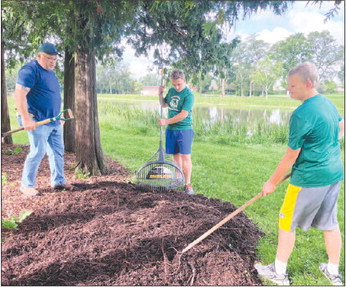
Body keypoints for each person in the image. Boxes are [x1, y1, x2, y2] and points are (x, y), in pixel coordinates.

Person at [254, 62, 344, 286]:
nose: (289, 90)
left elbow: (290, 157)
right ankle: (333, 271)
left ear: (308, 83)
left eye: (292, 86)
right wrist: (324, 145)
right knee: (330, 222)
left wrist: (271, 183)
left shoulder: (301, 114)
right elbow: (341, 128)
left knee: (287, 221)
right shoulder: (327, 103)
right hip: (333, 174)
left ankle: (279, 272)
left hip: (309, 179)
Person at [14, 42, 73, 197]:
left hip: (53, 120)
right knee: (37, 151)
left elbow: (50, 95)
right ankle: (26, 185)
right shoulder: (30, 70)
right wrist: (26, 119)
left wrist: (58, 116)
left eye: (54, 59)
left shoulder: (51, 73)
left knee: (57, 152)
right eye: (49, 58)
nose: (52, 62)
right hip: (37, 120)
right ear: (39, 56)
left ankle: (58, 181)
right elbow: (19, 94)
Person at [158, 69, 194, 194]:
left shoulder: (188, 94)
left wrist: (166, 121)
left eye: (179, 84)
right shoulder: (172, 91)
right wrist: (160, 94)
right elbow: (164, 105)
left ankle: (187, 184)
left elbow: (183, 114)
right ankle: (178, 179)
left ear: (184, 80)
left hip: (184, 129)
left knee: (185, 156)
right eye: (174, 84)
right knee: (176, 156)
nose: (176, 87)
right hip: (171, 130)